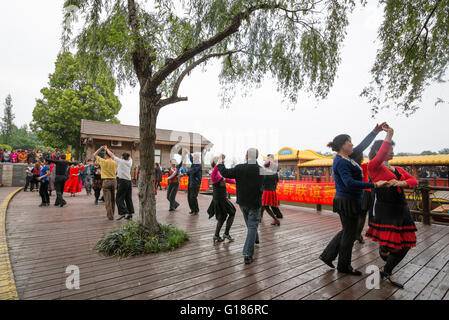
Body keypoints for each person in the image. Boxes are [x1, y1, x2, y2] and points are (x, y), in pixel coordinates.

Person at [319, 124, 389, 275]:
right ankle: (344, 266)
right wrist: (374, 184)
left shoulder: (347, 157)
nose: (352, 144)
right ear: (343, 146)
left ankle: (327, 255)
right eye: (349, 142)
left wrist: (375, 131)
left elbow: (364, 144)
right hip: (347, 200)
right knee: (349, 234)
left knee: (348, 231)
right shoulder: (341, 161)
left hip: (349, 199)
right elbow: (349, 183)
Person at [366, 124, 418, 288]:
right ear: (378, 152)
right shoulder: (373, 167)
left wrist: (402, 182)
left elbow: (414, 181)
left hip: (402, 211)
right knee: (392, 246)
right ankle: (384, 253)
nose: (392, 151)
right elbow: (382, 152)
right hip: (386, 210)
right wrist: (390, 134)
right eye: (390, 149)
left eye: (393, 148)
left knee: (406, 245)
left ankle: (387, 270)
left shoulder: (398, 169)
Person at [217, 148, 264, 265]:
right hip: (255, 203)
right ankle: (248, 254)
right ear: (256, 157)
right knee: (252, 225)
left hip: (243, 202)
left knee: (250, 224)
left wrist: (220, 161)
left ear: (247, 156)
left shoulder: (239, 168)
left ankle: (255, 239)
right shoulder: (262, 170)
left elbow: (225, 172)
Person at [208, 156, 236, 243]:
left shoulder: (219, 174)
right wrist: (219, 161)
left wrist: (237, 180)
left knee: (223, 217)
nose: (223, 164)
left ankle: (217, 235)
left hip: (222, 199)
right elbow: (216, 170)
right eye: (221, 163)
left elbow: (228, 180)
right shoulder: (214, 174)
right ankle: (225, 234)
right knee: (230, 213)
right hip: (219, 199)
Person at [104, 147, 134, 220]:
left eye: (121, 156)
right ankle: (130, 212)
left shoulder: (121, 161)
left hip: (123, 181)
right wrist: (128, 155)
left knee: (119, 198)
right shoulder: (130, 162)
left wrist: (106, 149)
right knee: (128, 198)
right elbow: (130, 158)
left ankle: (123, 212)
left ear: (123, 157)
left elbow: (112, 155)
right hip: (129, 182)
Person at [351, 151, 371, 244]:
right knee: (362, 215)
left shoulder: (350, 167)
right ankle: (358, 234)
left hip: (354, 192)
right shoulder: (365, 166)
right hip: (366, 191)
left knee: (355, 215)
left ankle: (355, 233)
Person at [93, 146, 118, 220]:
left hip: (106, 181)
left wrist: (100, 148)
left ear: (106, 155)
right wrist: (107, 149)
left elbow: (94, 154)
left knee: (107, 200)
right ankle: (112, 213)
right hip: (114, 181)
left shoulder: (103, 161)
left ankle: (110, 216)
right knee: (113, 199)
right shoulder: (115, 163)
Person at [260, 155, 281, 226]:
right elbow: (277, 181)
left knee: (265, 206)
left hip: (267, 191)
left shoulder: (266, 173)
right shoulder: (275, 173)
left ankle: (276, 219)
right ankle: (260, 218)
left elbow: (262, 182)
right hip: (272, 191)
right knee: (263, 205)